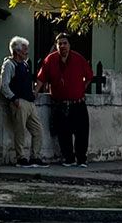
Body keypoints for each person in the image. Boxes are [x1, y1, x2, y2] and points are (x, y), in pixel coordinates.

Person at [36, 33, 93, 167]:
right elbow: (41, 78)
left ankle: (81, 159)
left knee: (81, 133)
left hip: (78, 103)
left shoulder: (78, 58)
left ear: (69, 45)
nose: (62, 46)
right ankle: (69, 159)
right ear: (56, 46)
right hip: (60, 104)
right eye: (60, 43)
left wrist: (81, 88)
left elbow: (89, 76)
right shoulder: (50, 60)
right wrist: (35, 91)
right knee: (63, 133)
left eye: (65, 43)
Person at [0, 36, 44, 167]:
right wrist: (14, 99)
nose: (27, 52)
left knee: (38, 130)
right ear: (17, 51)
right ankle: (21, 158)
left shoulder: (25, 64)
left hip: (29, 102)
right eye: (24, 49)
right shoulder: (9, 64)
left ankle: (35, 157)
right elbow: (4, 86)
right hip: (19, 102)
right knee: (20, 131)